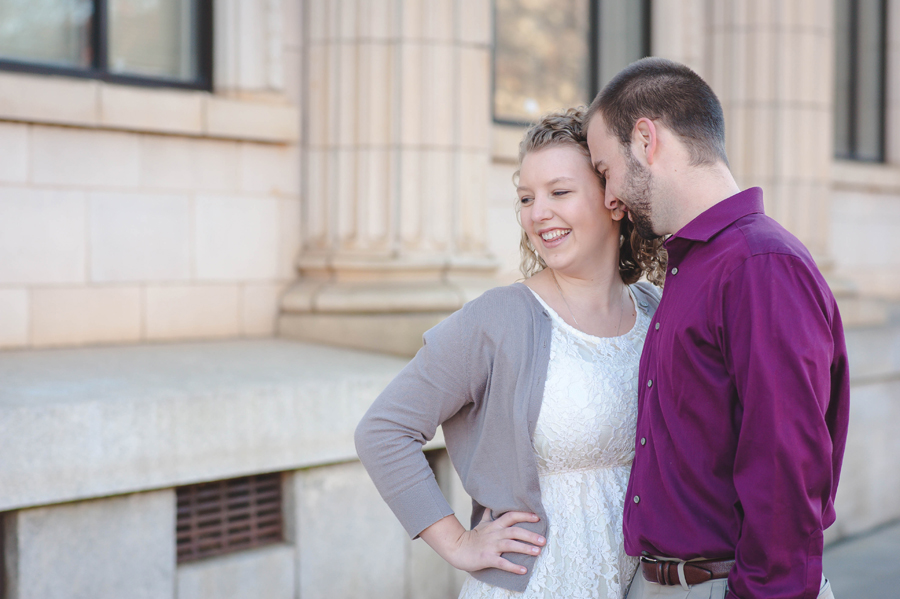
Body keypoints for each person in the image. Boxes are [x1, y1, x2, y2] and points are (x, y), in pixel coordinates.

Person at [355, 107, 666, 598]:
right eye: (526, 197)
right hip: (538, 584)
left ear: (614, 200)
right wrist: (457, 541)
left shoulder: (654, 309)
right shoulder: (496, 319)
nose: (537, 213)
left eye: (559, 192)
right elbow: (383, 430)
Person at [584, 57, 849, 599]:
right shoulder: (691, 265)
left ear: (645, 140)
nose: (608, 198)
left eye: (605, 170)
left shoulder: (760, 264)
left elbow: (786, 469)